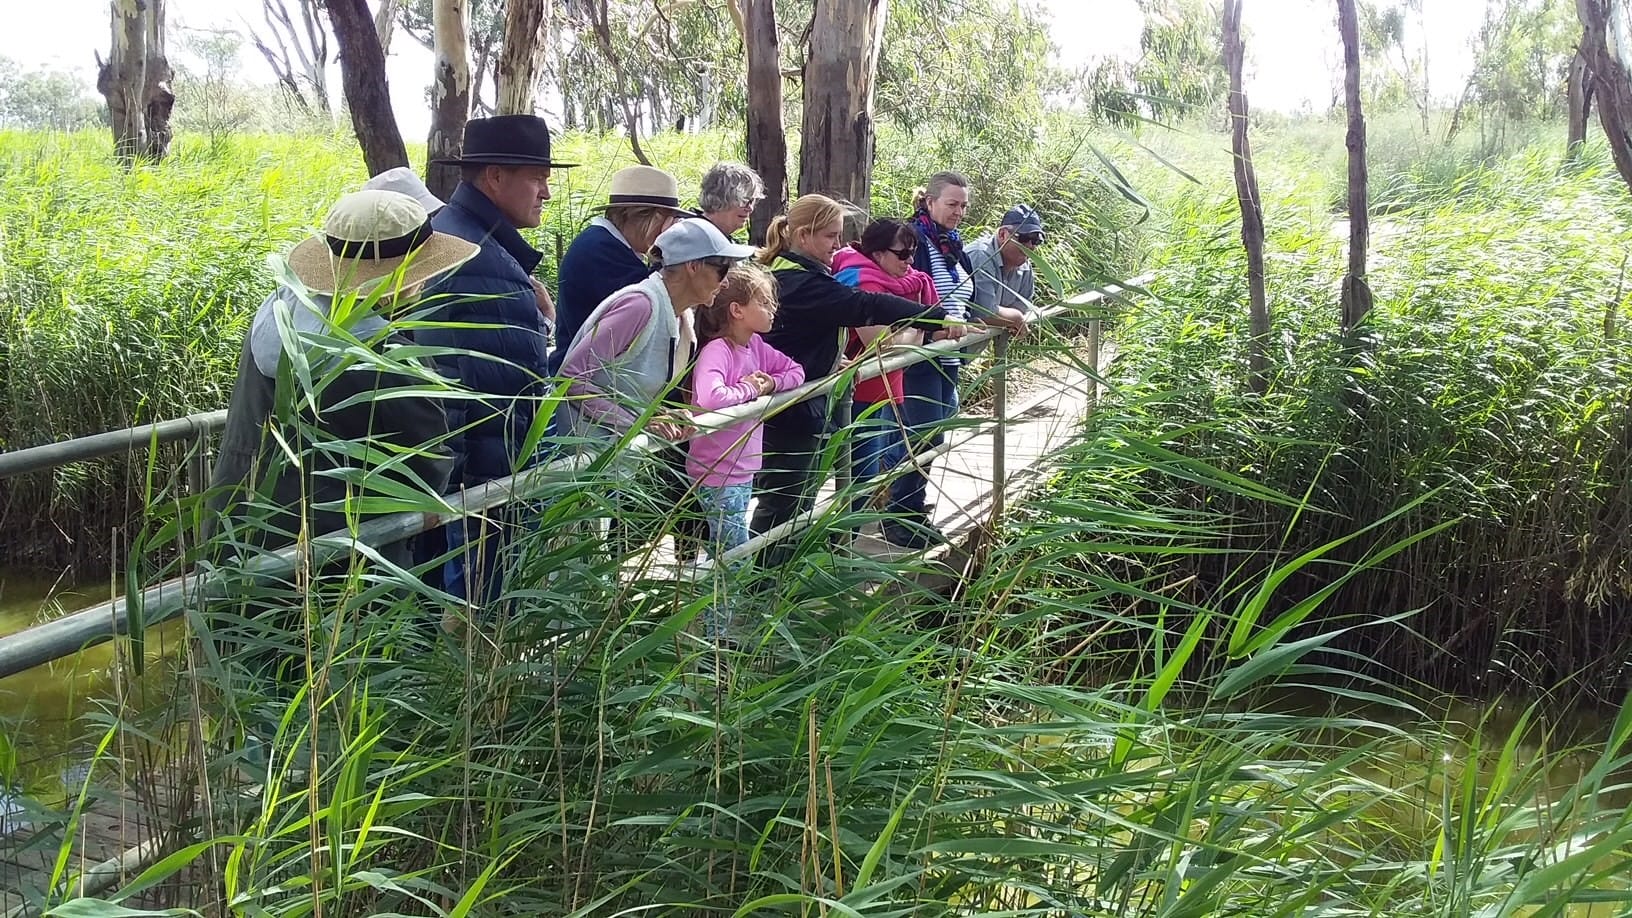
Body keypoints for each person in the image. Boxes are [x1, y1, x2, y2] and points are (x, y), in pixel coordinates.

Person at [207, 189, 479, 567]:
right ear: (401, 275)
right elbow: (427, 469)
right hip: (336, 560)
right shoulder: (386, 357)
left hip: (239, 528)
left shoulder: (277, 313)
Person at [751, 194, 967, 561]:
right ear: (803, 236)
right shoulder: (800, 282)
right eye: (830, 236)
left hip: (804, 399)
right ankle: (762, 585)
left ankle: (783, 575)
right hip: (790, 409)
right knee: (783, 501)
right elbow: (865, 305)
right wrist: (936, 317)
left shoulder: (803, 276)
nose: (838, 245)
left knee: (798, 497)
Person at [417, 114, 573, 602]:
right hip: (480, 486)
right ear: (495, 177)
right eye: (537, 178)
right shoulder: (476, 257)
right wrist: (459, 489)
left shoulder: (459, 237)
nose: (545, 192)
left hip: (469, 482)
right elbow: (469, 385)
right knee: (476, 626)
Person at [559, 218, 756, 553]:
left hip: (606, 465)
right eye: (722, 269)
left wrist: (657, 412)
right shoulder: (641, 305)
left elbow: (629, 385)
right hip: (578, 462)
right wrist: (640, 419)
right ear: (694, 267)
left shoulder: (680, 316)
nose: (725, 283)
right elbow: (572, 378)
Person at [686, 265, 804, 640]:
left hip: (742, 468)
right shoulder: (718, 350)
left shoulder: (754, 346)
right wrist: (750, 391)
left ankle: (714, 630)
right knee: (733, 558)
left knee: (727, 552)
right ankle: (712, 635)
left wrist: (770, 381)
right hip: (717, 470)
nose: (772, 310)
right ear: (737, 309)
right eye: (764, 302)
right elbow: (710, 397)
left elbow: (796, 371)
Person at [830, 220, 937, 540]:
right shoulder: (859, 279)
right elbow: (880, 342)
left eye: (913, 253)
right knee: (858, 477)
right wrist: (916, 330)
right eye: (902, 254)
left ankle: (839, 546)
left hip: (887, 388)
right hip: (860, 392)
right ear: (877, 253)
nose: (909, 261)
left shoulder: (907, 283)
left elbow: (918, 332)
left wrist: (911, 331)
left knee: (870, 472)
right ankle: (836, 548)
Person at [895, 171, 975, 548]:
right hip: (922, 352)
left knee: (935, 433)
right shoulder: (915, 240)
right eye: (951, 204)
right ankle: (899, 516)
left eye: (962, 205)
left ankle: (911, 507)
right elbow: (905, 292)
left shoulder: (951, 244)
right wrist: (932, 329)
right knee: (922, 434)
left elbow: (963, 298)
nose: (958, 211)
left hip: (949, 354)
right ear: (929, 202)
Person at [551, 165, 690, 377]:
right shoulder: (601, 250)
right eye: (667, 220)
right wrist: (666, 253)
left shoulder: (605, 244)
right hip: (584, 386)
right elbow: (658, 303)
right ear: (645, 216)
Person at [964, 204, 1042, 337]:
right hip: (948, 347)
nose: (1030, 246)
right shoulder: (981, 256)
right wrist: (1015, 318)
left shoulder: (1024, 264)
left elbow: (1023, 305)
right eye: (1024, 238)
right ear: (1002, 234)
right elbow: (984, 312)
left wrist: (1009, 318)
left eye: (1035, 240)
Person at [697, 162, 764, 238]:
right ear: (719, 199)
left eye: (752, 201)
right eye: (744, 201)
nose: (750, 208)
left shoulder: (711, 233)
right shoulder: (696, 236)